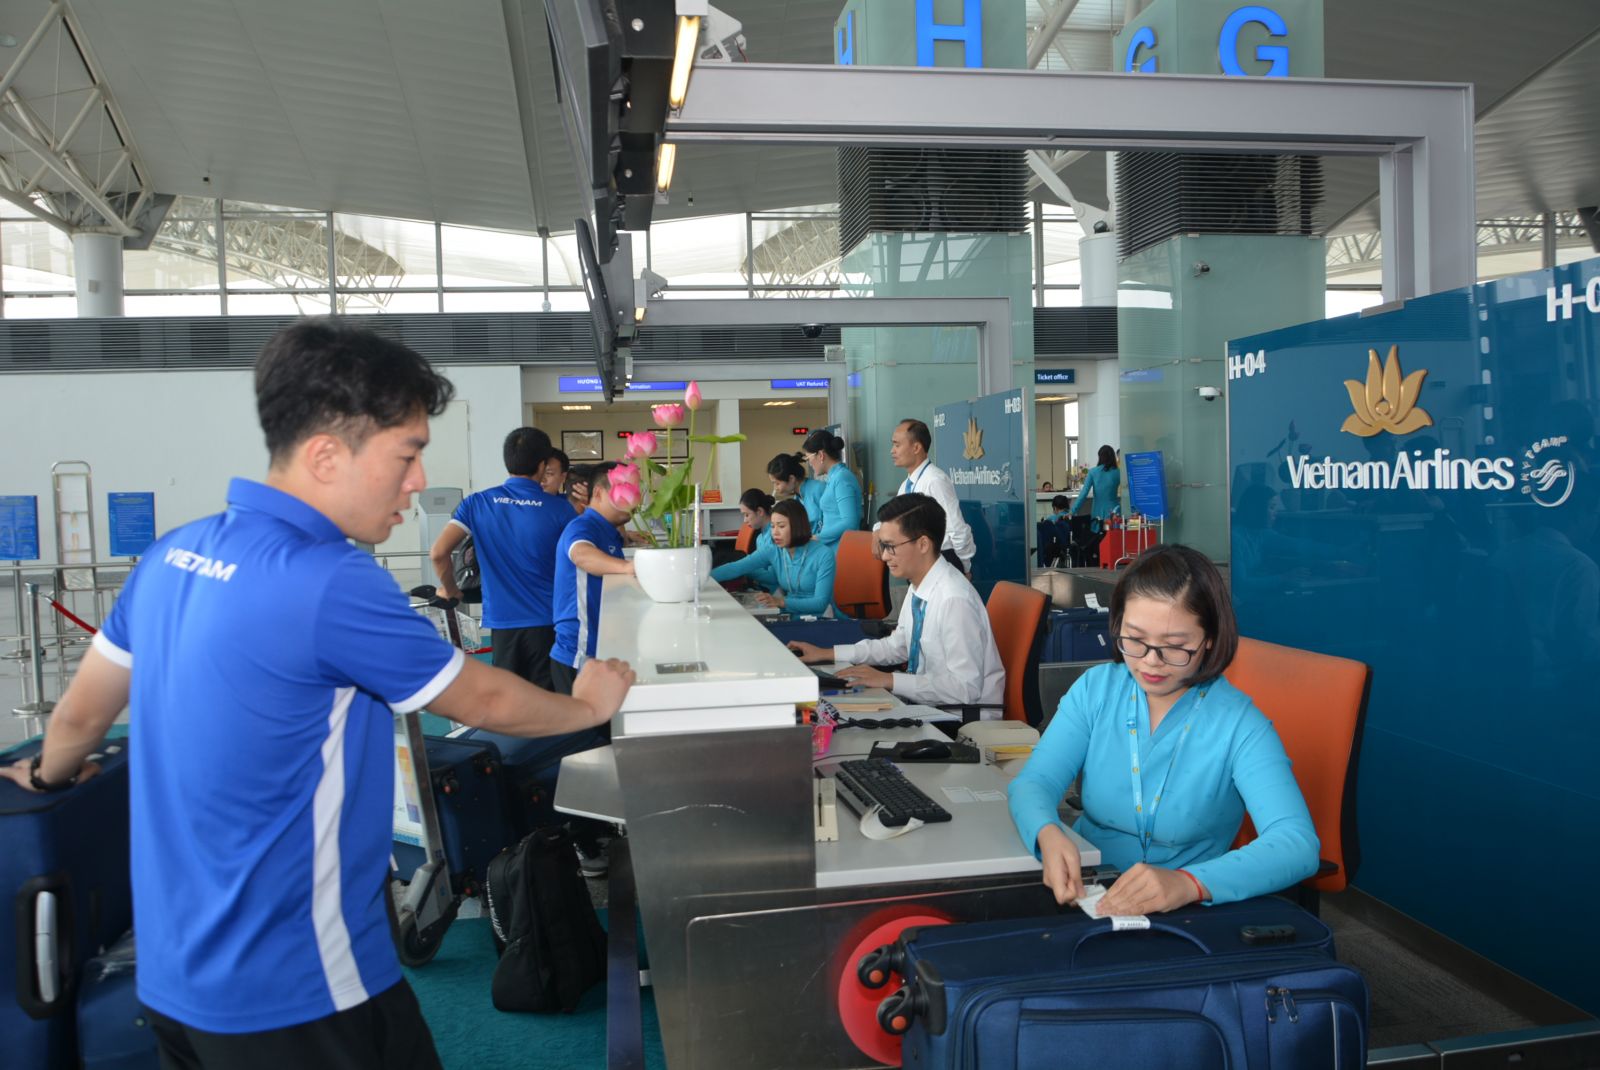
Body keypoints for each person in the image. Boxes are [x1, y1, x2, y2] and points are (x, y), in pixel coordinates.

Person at [0, 319, 635, 1070]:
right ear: (327, 455)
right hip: (301, 987)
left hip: (170, 983)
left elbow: (80, 714)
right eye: (406, 455)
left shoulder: (175, 553)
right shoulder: (331, 579)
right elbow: (483, 702)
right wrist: (589, 706)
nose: (418, 482)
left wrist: (50, 774)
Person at [1007, 544, 1318, 913]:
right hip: (1088, 891)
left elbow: (1296, 843)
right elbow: (1035, 782)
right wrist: (1048, 832)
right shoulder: (1095, 691)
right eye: (1135, 639)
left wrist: (1189, 883)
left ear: (1210, 638)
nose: (1151, 662)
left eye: (1174, 646)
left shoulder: (1239, 724)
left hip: (1186, 911)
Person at [789, 493, 1003, 711]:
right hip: (930, 706)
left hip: (961, 718)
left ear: (923, 544)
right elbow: (897, 647)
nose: (884, 557)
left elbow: (965, 689)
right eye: (883, 546)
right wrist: (827, 653)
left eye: (891, 546)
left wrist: (889, 680)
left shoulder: (954, 600)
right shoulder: (920, 586)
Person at [428, 428, 572, 690]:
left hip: (502, 622)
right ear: (542, 465)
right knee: (546, 700)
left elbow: (438, 552)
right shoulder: (562, 509)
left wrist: (450, 589)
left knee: (508, 698)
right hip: (548, 621)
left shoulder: (477, 503)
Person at [550, 461, 638, 696]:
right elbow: (581, 554)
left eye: (635, 491)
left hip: (599, 650)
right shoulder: (583, 526)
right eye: (624, 490)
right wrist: (629, 567)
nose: (633, 499)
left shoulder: (607, 530)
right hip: (579, 653)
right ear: (598, 493)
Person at [714, 499, 836, 615]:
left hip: (819, 618)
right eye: (772, 526)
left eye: (781, 526)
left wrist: (781, 602)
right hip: (789, 614)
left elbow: (820, 603)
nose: (775, 532)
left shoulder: (824, 554)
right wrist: (705, 579)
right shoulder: (775, 550)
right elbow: (736, 567)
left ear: (797, 527)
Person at [888, 418, 975, 574]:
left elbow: (957, 528)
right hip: (920, 562)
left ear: (916, 447)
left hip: (942, 561)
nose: (892, 451)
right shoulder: (907, 484)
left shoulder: (935, 481)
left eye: (897, 445)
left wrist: (963, 567)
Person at [801, 429, 863, 549]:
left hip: (841, 549)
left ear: (821, 455)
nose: (810, 464)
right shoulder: (834, 477)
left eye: (809, 459)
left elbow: (850, 522)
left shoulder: (842, 478)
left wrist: (818, 538)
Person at [716, 487, 777, 590]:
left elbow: (773, 578)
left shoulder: (774, 537)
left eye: (747, 515)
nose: (745, 520)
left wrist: (744, 568)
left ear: (760, 511)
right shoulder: (760, 538)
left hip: (773, 593)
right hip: (759, 589)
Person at [1071, 445, 1122, 564]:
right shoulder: (1118, 472)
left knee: (1097, 541)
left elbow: (1083, 494)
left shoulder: (1093, 472)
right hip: (1115, 511)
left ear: (1100, 457)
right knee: (1113, 542)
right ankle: (1113, 563)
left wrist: (1073, 510)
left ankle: (1099, 563)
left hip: (1098, 512)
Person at [767, 452, 824, 532]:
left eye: (777, 483)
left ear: (791, 479)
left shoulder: (819, 489)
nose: (775, 488)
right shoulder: (797, 498)